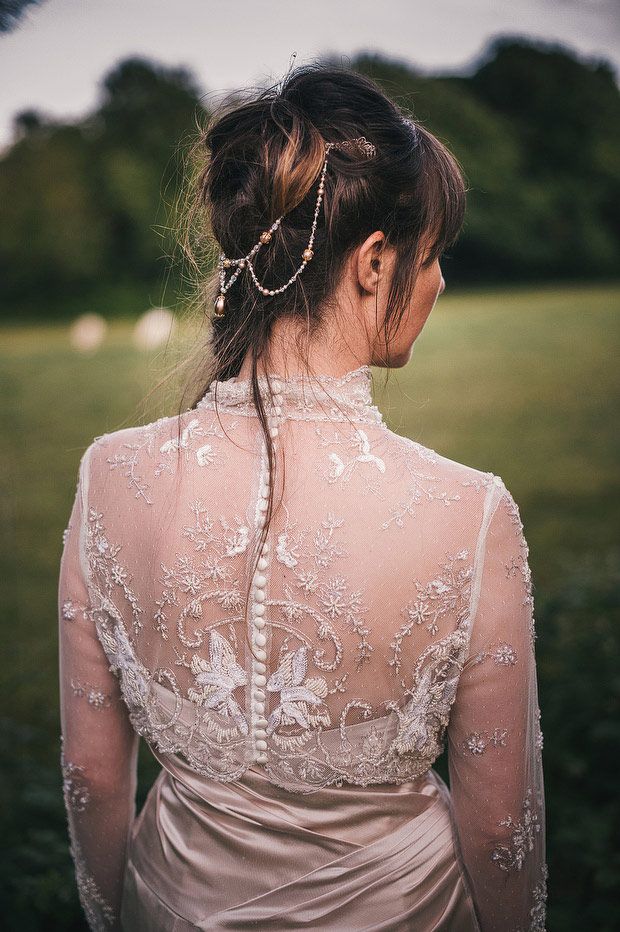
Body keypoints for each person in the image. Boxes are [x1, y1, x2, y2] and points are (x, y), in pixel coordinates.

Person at [58, 63, 547, 932]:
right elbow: (502, 826)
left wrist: (114, 917)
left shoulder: (109, 475)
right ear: (372, 263)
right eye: (430, 257)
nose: (436, 283)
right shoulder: (471, 514)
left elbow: (95, 780)